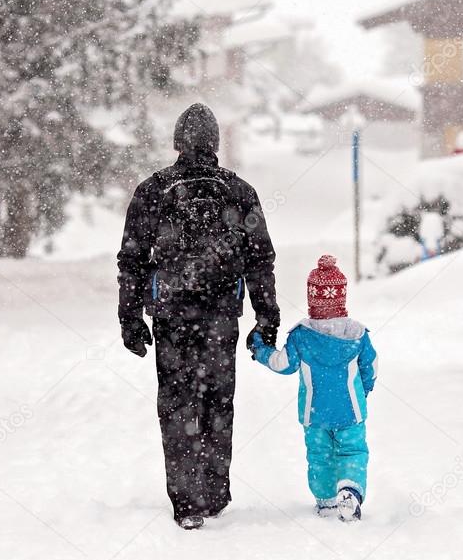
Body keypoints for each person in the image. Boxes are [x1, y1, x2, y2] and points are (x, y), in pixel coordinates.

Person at [117, 103, 280, 530]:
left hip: (171, 315)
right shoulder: (239, 191)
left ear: (177, 143)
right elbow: (261, 261)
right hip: (221, 314)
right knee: (216, 401)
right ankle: (213, 492)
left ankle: (185, 501)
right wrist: (267, 317)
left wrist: (130, 317)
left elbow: (132, 259)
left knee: (176, 402)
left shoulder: (153, 190)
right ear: (215, 145)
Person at [249, 255, 377, 521]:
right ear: (342, 298)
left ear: (312, 300)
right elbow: (371, 367)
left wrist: (261, 349)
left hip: (314, 413)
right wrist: (363, 391)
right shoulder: (357, 335)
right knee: (352, 450)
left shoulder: (302, 336)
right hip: (351, 412)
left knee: (319, 456)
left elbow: (283, 363)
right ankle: (349, 491)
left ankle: (326, 500)